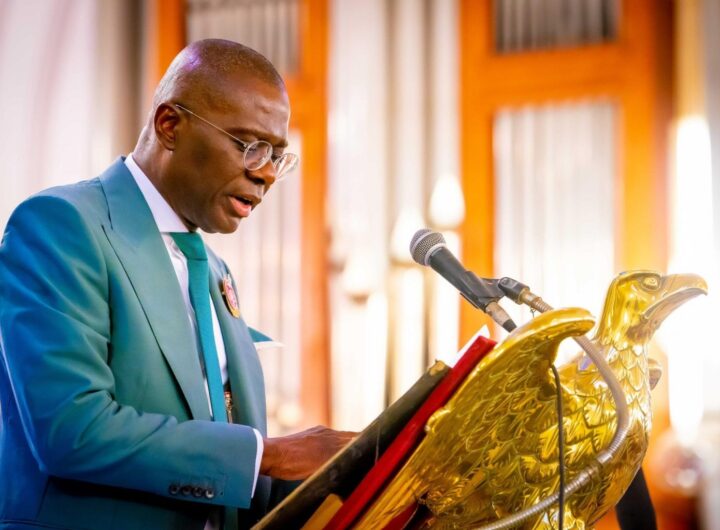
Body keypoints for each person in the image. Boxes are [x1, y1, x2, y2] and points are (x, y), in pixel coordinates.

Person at [0, 39, 353, 530]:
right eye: (250, 146)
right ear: (170, 125)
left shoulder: (214, 271)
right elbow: (71, 429)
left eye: (277, 155)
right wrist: (270, 454)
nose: (268, 174)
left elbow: (230, 471)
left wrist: (351, 471)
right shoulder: (63, 226)